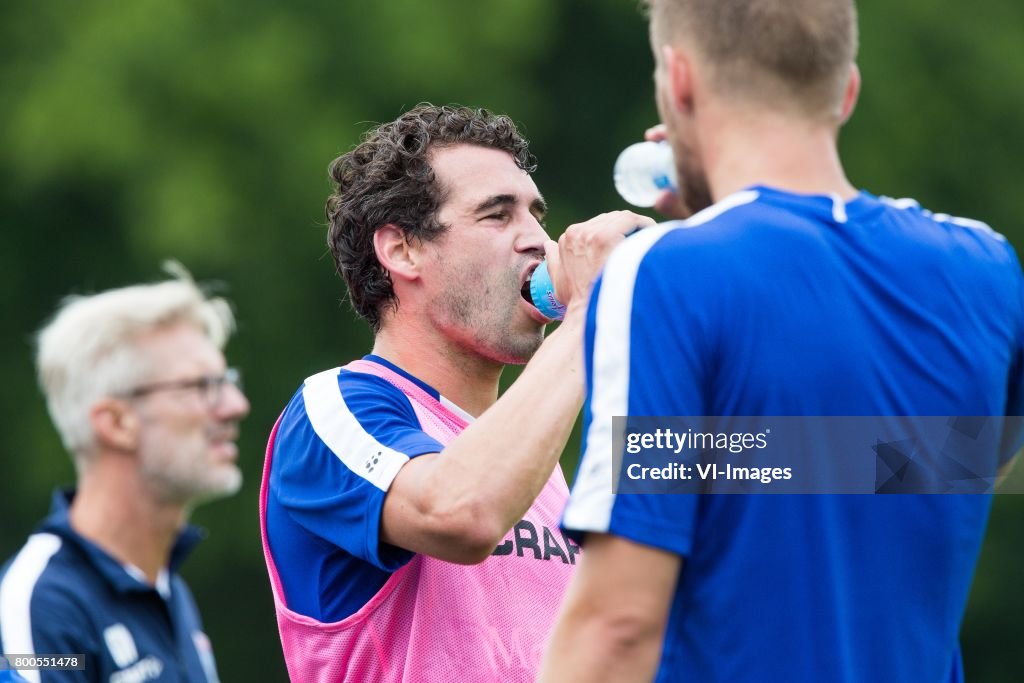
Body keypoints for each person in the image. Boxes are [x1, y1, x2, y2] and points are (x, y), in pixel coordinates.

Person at [540, 1, 1024, 681]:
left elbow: (618, 627)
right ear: (847, 90)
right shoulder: (987, 268)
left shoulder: (660, 275)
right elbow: (951, 468)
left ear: (678, 81)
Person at [259, 103, 650, 681]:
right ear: (402, 250)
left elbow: (801, 463)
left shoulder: (537, 463)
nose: (540, 241)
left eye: (536, 215)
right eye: (497, 215)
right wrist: (589, 315)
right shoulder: (334, 407)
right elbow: (459, 513)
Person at [0, 264, 250, 683]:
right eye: (199, 386)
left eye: (226, 381)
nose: (235, 405)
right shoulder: (38, 604)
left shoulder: (168, 590)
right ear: (116, 423)